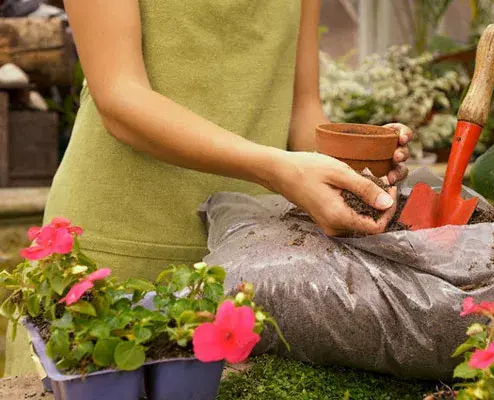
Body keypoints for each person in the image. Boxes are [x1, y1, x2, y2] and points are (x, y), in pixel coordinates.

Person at [3, 0, 412, 376]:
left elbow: (302, 106)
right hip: (121, 246)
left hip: (255, 260)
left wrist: (354, 170)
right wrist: (277, 170)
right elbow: (120, 99)